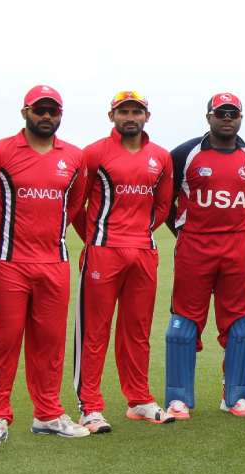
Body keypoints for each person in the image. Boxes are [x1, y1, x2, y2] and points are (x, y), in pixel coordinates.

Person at [0, 85, 90, 447]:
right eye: (39, 110)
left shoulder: (73, 157)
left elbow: (73, 205)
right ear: (25, 112)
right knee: (3, 342)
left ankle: (48, 413)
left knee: (50, 343)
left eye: (52, 111)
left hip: (54, 262)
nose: (46, 116)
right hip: (7, 262)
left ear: (60, 115)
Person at [72, 90, 175, 433]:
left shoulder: (160, 156)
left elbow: (162, 206)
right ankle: (90, 406)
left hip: (143, 252)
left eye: (136, 111)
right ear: (111, 115)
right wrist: (98, 236)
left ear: (147, 116)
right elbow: (77, 205)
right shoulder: (94, 153)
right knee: (95, 331)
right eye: (123, 111)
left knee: (137, 329)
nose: (130, 117)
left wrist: (139, 232)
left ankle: (140, 399)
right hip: (104, 250)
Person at [164, 93, 245, 419]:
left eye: (233, 113)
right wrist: (187, 232)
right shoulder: (184, 154)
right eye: (220, 113)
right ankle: (178, 398)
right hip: (194, 247)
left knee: (241, 323)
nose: (227, 118)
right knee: (183, 323)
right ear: (208, 116)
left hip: (238, 248)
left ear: (241, 117)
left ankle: (235, 396)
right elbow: (167, 203)